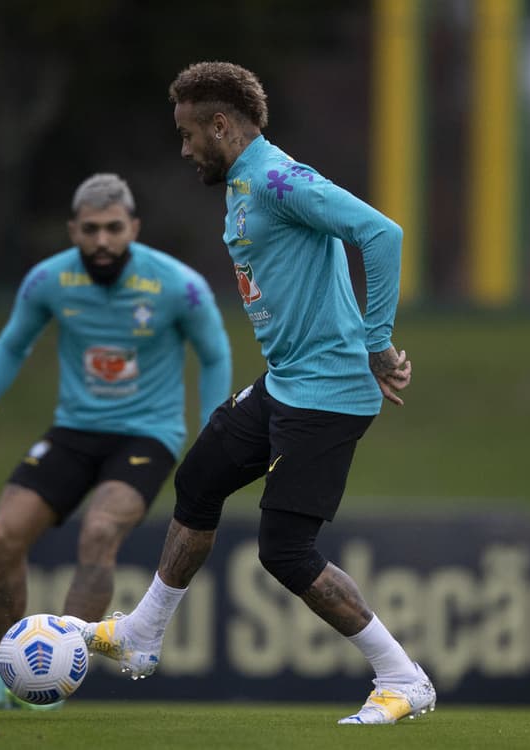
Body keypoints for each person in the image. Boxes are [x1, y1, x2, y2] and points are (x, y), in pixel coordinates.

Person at [72, 61, 433, 726]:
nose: (183, 151)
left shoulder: (274, 178)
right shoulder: (242, 183)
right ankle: (143, 633)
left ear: (220, 125)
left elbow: (382, 234)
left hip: (327, 393)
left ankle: (402, 677)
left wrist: (378, 344)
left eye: (188, 135)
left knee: (284, 552)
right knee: (201, 479)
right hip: (287, 382)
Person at [0, 173, 232, 710]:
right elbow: (12, 345)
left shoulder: (178, 285)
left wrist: (214, 431)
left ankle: (53, 685)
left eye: (114, 228)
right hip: (74, 431)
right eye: (91, 229)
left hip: (147, 434)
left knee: (99, 531)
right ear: (73, 230)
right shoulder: (48, 281)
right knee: (4, 535)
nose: (102, 241)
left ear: (134, 228)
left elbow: (214, 354)